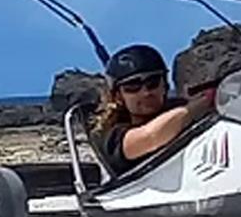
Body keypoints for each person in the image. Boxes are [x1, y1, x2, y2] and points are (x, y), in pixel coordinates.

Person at [91, 44, 217, 175]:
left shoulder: (182, 106)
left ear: (164, 85)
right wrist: (201, 103)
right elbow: (150, 137)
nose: (146, 93)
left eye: (153, 83)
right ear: (118, 97)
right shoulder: (114, 139)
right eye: (132, 87)